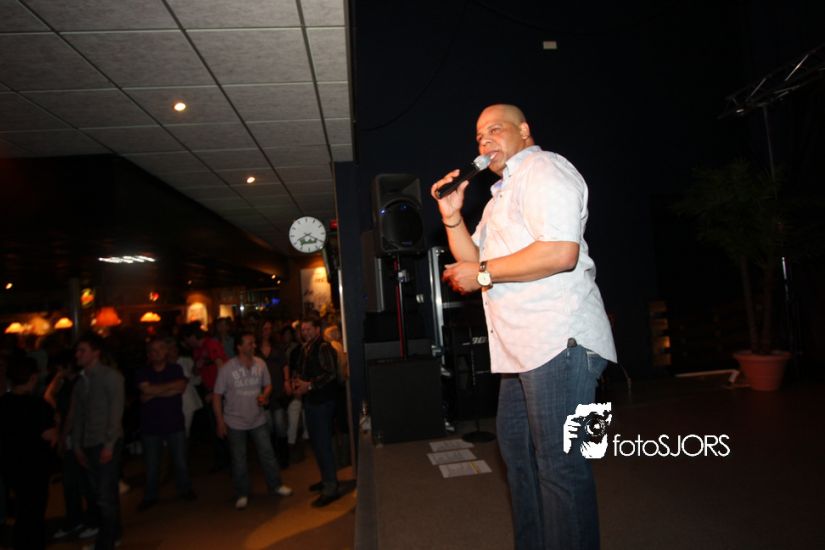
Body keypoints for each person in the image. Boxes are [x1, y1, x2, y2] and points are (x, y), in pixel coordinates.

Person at [431, 104, 617, 550]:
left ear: (525, 130)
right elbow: (474, 260)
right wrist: (452, 216)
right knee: (519, 455)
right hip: (521, 350)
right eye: (479, 136)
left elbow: (560, 253)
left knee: (560, 465)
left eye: (495, 129)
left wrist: (481, 274)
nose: (484, 140)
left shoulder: (544, 168)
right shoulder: (499, 197)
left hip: (560, 340)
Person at [213, 331, 292, 510]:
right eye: (250, 343)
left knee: (267, 454)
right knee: (239, 459)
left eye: (254, 343)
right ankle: (242, 492)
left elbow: (268, 385)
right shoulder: (227, 368)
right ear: (239, 347)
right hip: (235, 421)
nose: (254, 346)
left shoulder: (260, 363)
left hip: (258, 418)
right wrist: (220, 421)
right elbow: (217, 395)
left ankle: (276, 485)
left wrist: (265, 395)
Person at [70, 332, 125, 550]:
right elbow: (79, 416)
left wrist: (109, 444)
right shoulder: (81, 381)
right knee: (102, 494)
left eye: (82, 350)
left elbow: (115, 413)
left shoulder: (111, 377)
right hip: (89, 442)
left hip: (105, 441)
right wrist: (77, 444)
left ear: (96, 353)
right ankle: (113, 534)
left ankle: (106, 542)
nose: (77, 354)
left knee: (104, 495)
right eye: (77, 350)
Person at [0, 357, 57, 550]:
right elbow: (50, 436)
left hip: (11, 466)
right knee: (35, 513)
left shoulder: (3, 403)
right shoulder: (38, 406)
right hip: (35, 467)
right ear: (32, 378)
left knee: (22, 510)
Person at [135, 338, 196, 511]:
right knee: (152, 464)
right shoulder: (143, 371)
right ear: (148, 353)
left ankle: (185, 489)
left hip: (174, 422)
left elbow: (180, 388)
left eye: (161, 348)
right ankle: (150, 495)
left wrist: (152, 392)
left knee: (180, 461)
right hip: (150, 425)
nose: (157, 352)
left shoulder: (175, 369)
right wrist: (169, 388)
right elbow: (145, 391)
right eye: (153, 349)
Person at [292, 315, 340, 507]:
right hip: (313, 401)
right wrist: (299, 384)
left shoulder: (323, 347)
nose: (305, 333)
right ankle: (327, 480)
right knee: (318, 444)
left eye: (309, 329)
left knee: (323, 444)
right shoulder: (308, 347)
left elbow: (331, 374)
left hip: (322, 402)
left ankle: (331, 487)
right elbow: (304, 372)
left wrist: (309, 385)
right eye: (303, 330)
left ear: (317, 329)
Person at [45, 352, 93, 541]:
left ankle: (89, 520)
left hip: (78, 435)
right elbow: (50, 398)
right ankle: (78, 520)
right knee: (72, 482)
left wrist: (64, 436)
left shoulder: (79, 383)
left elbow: (73, 414)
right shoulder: (66, 384)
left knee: (81, 481)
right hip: (71, 435)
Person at [182, 323, 229, 471]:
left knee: (223, 425)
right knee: (215, 427)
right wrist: (198, 366)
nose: (186, 343)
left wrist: (216, 392)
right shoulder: (197, 350)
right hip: (209, 389)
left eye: (186, 339)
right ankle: (221, 460)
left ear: (192, 336)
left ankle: (229, 461)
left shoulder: (211, 344)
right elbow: (196, 371)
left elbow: (221, 367)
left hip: (219, 391)